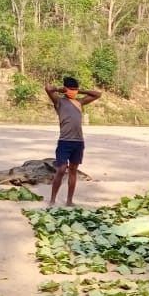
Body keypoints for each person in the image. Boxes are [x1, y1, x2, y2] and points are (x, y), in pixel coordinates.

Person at [44, 77, 102, 207]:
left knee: (73, 171)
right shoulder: (59, 102)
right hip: (64, 141)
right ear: (66, 89)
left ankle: (69, 201)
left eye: (76, 89)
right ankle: (53, 200)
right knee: (61, 169)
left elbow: (98, 94)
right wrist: (61, 89)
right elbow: (48, 88)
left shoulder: (79, 102)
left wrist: (79, 91)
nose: (74, 92)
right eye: (72, 89)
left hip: (78, 142)